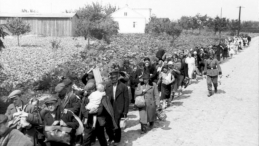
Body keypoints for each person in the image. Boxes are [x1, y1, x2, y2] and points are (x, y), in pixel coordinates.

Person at [81, 82, 117, 146]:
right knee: (86, 138)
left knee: (101, 137)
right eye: (87, 91)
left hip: (99, 121)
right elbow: (83, 110)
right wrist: (88, 112)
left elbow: (102, 110)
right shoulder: (86, 98)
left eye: (89, 91)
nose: (87, 92)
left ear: (93, 89)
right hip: (88, 121)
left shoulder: (102, 97)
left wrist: (94, 111)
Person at [105, 70, 129, 146]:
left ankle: (117, 140)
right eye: (112, 77)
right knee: (108, 125)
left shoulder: (123, 86)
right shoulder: (107, 85)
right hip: (109, 108)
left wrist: (125, 111)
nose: (113, 79)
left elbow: (126, 99)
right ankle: (111, 138)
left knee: (117, 125)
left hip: (119, 108)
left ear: (118, 77)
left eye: (115, 77)